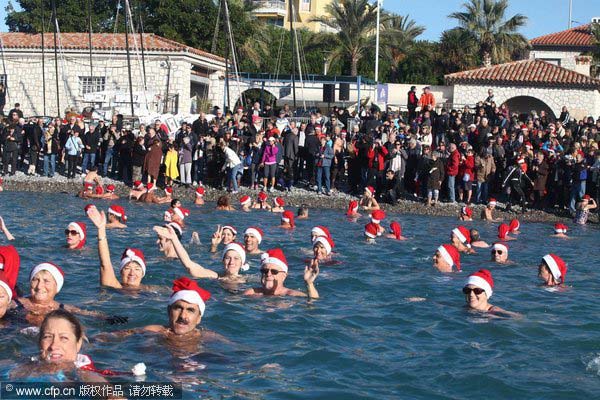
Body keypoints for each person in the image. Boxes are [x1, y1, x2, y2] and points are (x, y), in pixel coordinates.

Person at [17, 263, 108, 326]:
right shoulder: (16, 304)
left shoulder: (64, 308)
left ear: (57, 288)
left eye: (46, 281)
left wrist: (112, 319)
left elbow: (92, 315)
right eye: (35, 280)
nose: (39, 286)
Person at [154, 226, 248, 283]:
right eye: (228, 258)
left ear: (242, 262)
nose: (231, 262)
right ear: (222, 260)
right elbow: (189, 265)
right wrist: (174, 239)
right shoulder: (215, 276)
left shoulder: (249, 280)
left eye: (236, 258)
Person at [86, 205, 148, 290]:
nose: (132, 273)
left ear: (142, 273)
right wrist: (101, 229)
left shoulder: (151, 290)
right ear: (121, 271)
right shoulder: (116, 287)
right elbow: (105, 264)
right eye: (127, 268)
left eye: (137, 269)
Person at [243, 248, 319, 298]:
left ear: (284, 276)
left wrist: (309, 283)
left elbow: (313, 305)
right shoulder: (250, 293)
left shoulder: (292, 296)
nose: (268, 274)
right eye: (265, 271)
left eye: (274, 271)